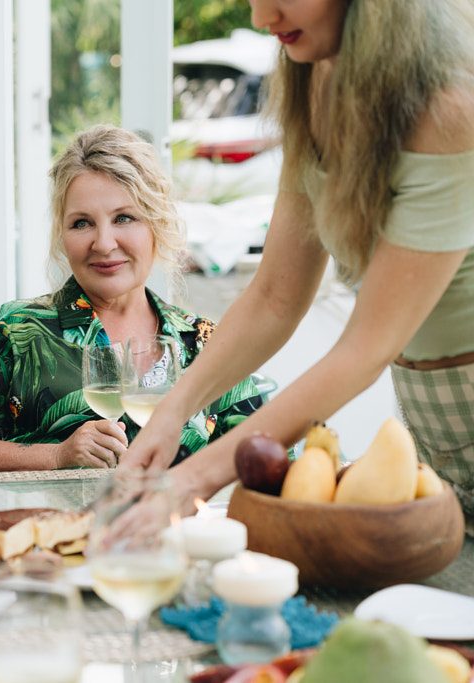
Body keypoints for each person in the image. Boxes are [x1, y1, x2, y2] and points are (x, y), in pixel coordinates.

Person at [121, 0, 474, 518]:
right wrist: (172, 410)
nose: (263, 17)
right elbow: (274, 297)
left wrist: (193, 478)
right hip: (431, 416)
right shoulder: (319, 76)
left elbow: (365, 349)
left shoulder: (449, 105)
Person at [0, 125, 263, 472]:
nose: (104, 243)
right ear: (61, 235)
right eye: (82, 223)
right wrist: (56, 455)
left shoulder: (205, 341)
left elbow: (266, 450)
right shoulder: (16, 328)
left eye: (124, 218)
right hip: (54, 525)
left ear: (156, 225)